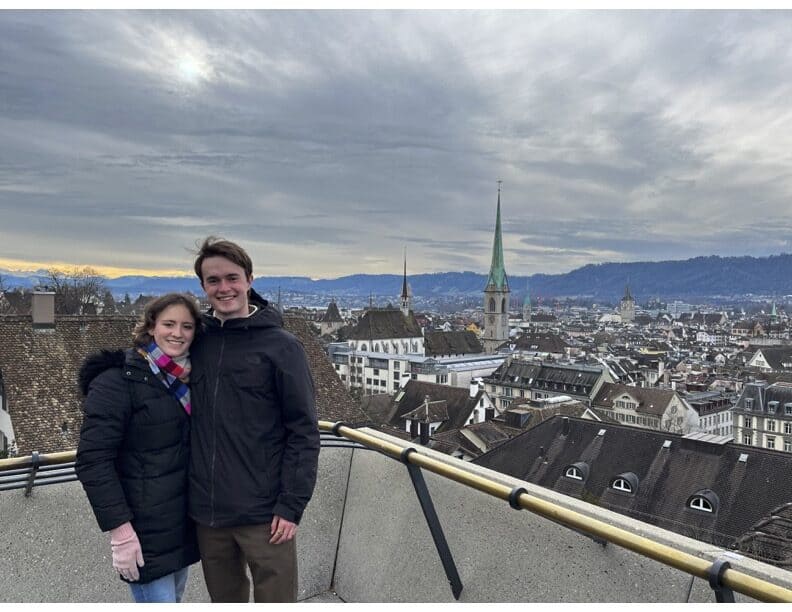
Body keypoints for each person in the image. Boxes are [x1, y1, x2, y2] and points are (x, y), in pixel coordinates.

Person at [188, 236, 320, 603]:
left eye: (231, 277)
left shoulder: (281, 346)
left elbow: (304, 431)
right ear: (203, 286)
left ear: (249, 279)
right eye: (213, 281)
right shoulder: (195, 342)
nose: (223, 287)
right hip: (208, 513)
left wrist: (291, 505)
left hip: (266, 515)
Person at [75, 293, 202, 603]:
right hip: (142, 535)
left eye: (187, 326)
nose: (177, 333)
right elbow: (92, 460)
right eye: (169, 324)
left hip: (180, 529)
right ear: (150, 327)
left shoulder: (189, 379)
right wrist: (120, 534)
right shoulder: (118, 380)